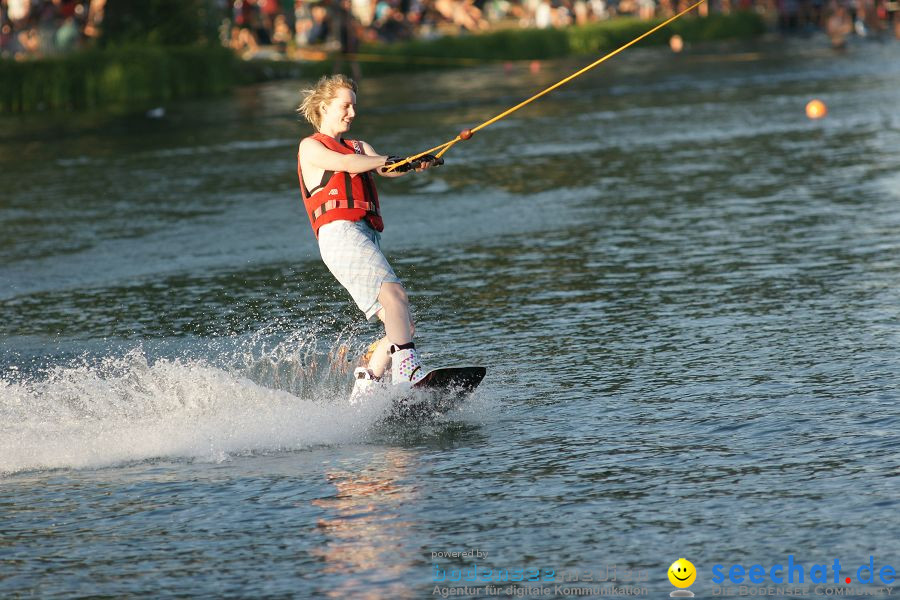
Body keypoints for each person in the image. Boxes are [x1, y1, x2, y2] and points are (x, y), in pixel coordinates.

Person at [296, 74, 442, 401]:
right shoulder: (311, 146)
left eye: (354, 106)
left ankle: (367, 383)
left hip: (365, 235)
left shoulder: (361, 146)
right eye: (345, 106)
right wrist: (385, 160)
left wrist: (414, 162)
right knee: (395, 296)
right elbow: (347, 164)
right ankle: (408, 373)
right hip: (340, 234)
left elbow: (383, 168)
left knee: (401, 321)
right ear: (324, 107)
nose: (352, 113)